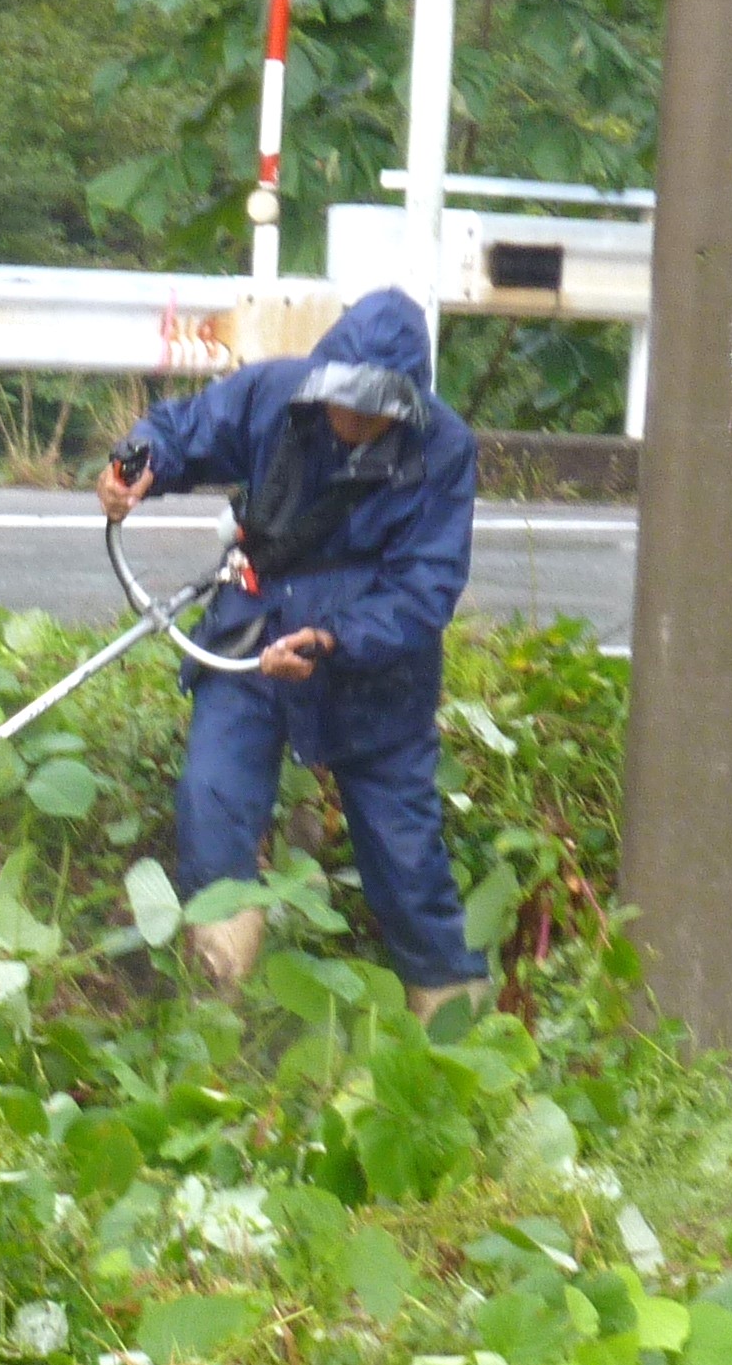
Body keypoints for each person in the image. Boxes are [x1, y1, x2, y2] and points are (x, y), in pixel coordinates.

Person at [97, 285, 487, 1020]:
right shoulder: (275, 395)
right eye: (343, 400)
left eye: (373, 409)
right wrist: (134, 463)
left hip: (373, 671)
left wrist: (337, 640)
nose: (352, 420)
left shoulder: (443, 449)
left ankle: (452, 1024)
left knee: (405, 857)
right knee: (211, 801)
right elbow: (183, 428)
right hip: (253, 634)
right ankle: (216, 1009)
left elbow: (426, 587)